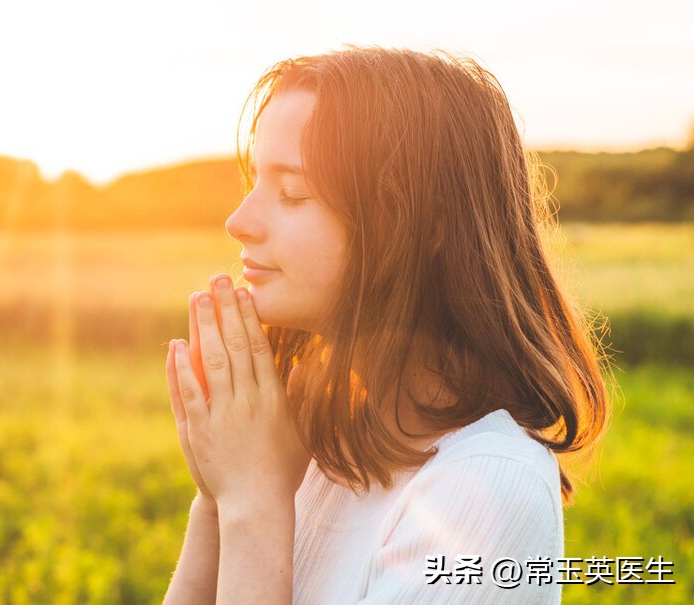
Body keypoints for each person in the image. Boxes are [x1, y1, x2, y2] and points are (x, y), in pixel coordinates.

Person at [161, 46, 609, 604]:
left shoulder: (489, 485)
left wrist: (252, 501)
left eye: (292, 192)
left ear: (423, 224)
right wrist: (218, 498)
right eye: (253, 183)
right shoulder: (317, 443)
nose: (239, 221)